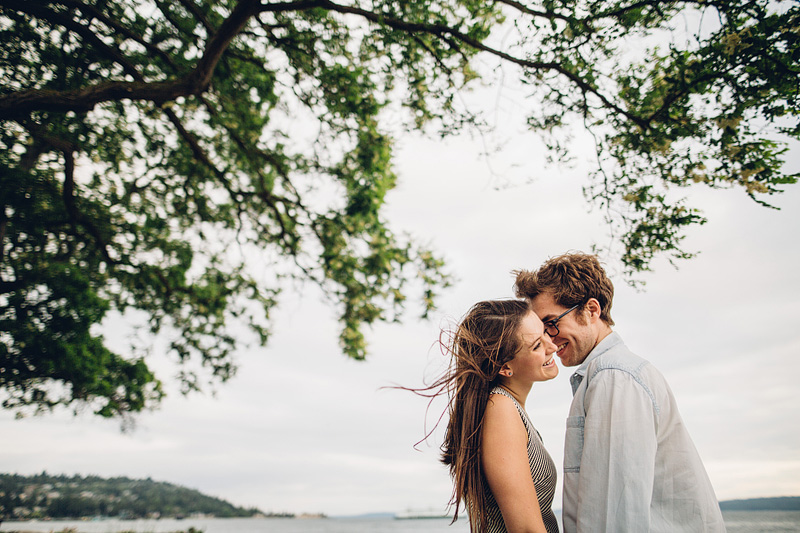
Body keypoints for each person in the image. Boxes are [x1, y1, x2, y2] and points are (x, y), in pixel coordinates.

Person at [514, 253, 726, 533]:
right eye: (541, 330)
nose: (549, 340)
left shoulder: (614, 378)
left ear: (591, 310)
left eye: (552, 323)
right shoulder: (610, 375)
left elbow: (614, 514)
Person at [422, 299, 561, 533]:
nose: (552, 346)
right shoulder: (501, 408)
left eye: (546, 332)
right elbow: (526, 529)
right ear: (505, 368)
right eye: (537, 345)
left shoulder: (506, 407)